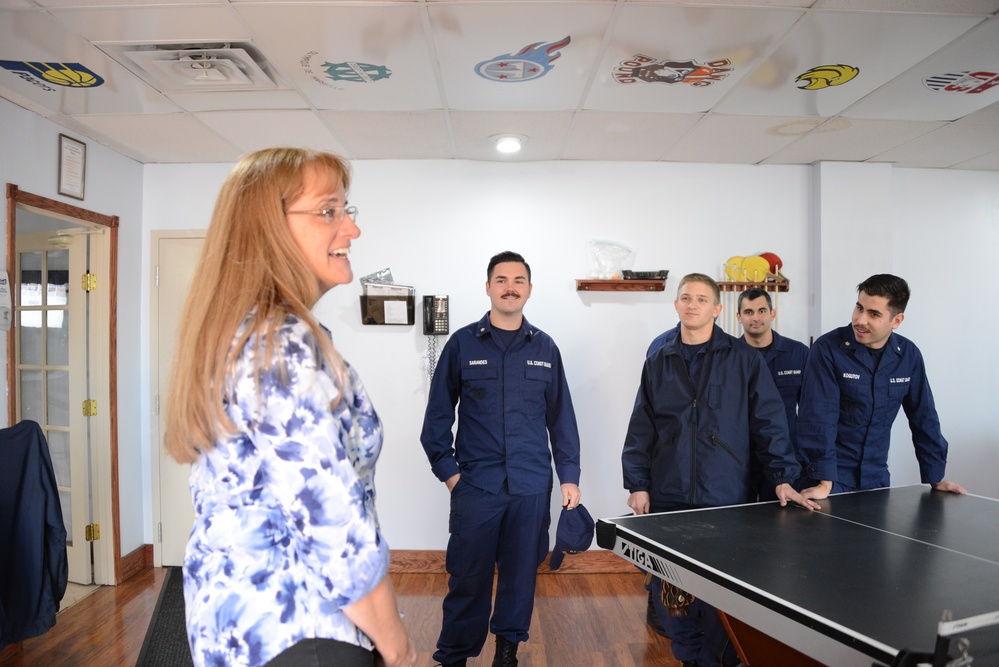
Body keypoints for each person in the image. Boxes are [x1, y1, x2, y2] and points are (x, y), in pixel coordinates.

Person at [164, 147, 416, 667]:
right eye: (329, 211)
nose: (351, 229)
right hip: (301, 632)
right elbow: (332, 524)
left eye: (348, 211)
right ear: (268, 230)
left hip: (243, 628)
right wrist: (399, 648)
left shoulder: (248, 333)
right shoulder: (278, 341)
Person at [622, 273, 819, 667]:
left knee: (717, 602)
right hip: (669, 496)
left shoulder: (744, 359)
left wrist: (783, 477)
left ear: (716, 309)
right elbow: (641, 426)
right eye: (684, 298)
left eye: (700, 299)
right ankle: (688, 660)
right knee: (674, 602)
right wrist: (638, 484)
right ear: (676, 305)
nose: (691, 304)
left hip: (725, 498)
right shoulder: (658, 359)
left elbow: (769, 421)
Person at [420, 251, 582, 667]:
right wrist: (452, 477)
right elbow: (436, 419)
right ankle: (454, 656)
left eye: (519, 280)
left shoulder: (545, 348)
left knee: (520, 576)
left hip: (530, 486)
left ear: (529, 289)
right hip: (477, 487)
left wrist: (568, 477)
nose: (510, 287)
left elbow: (562, 419)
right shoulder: (462, 344)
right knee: (467, 578)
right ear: (488, 286)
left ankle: (507, 652)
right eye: (502, 279)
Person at [796, 274, 965, 499]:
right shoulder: (827, 349)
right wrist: (825, 480)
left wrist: (935, 476)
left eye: (874, 314)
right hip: (827, 480)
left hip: (876, 479)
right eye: (859, 308)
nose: (860, 320)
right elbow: (818, 417)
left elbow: (924, 417)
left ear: (896, 321)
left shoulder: (908, 355)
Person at [736, 288, 810, 502]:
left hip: (786, 456)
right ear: (739, 317)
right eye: (748, 312)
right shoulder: (729, 357)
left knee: (783, 522)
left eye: (761, 310)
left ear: (772, 313)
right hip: (741, 457)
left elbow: (810, 410)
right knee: (738, 520)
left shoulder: (798, 354)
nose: (756, 318)